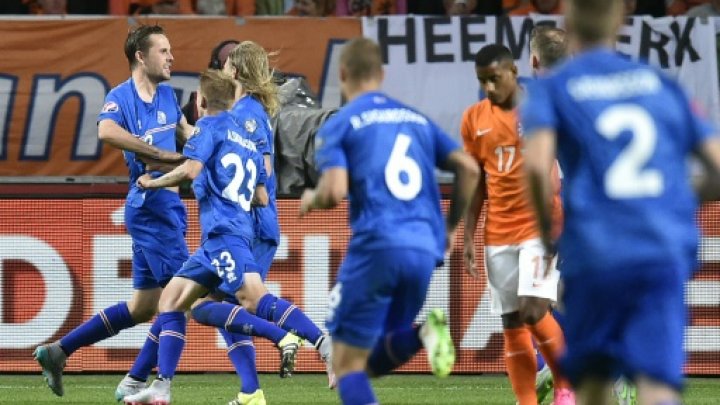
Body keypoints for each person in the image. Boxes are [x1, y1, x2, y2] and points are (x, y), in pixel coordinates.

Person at [521, 0, 720, 404]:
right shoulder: (660, 83)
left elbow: (539, 173)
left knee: (592, 383)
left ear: (570, 20)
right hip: (660, 248)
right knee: (659, 386)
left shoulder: (553, 89)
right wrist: (672, 201)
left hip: (596, 247)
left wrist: (544, 242)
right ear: (620, 21)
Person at [299, 37, 479, 405]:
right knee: (372, 361)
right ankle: (425, 332)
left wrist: (310, 197)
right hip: (423, 251)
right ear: (381, 75)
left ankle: (424, 333)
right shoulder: (416, 119)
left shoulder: (341, 122)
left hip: (378, 245)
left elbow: (333, 191)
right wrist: (448, 228)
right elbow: (469, 168)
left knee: (346, 364)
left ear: (343, 73)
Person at [122, 69, 303, 405]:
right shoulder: (245, 134)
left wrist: (154, 181)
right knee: (176, 301)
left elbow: (191, 169)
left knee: (248, 300)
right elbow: (261, 193)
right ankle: (163, 386)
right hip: (237, 232)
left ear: (200, 101)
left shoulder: (211, 126)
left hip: (224, 233)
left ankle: (298, 339)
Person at [33, 23, 193, 398]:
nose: (172, 57)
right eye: (164, 51)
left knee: (143, 307)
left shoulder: (169, 96)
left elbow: (188, 136)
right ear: (141, 56)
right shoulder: (121, 96)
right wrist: (159, 155)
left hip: (168, 206)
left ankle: (59, 351)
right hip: (151, 208)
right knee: (183, 300)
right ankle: (146, 383)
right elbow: (106, 131)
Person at [222, 40, 335, 402]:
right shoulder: (251, 110)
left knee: (232, 302)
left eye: (225, 66)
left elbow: (263, 179)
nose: (221, 71)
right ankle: (250, 392)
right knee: (216, 304)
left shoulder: (246, 114)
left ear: (235, 71)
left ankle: (312, 341)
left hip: (249, 224)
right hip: (253, 225)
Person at [461, 43, 574, 405]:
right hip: (499, 232)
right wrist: (466, 235)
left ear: (513, 71)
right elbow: (477, 181)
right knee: (512, 322)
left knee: (534, 308)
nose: (489, 88)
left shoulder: (541, 108)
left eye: (494, 79)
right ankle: (526, 400)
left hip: (541, 226)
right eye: (482, 82)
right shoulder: (475, 119)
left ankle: (564, 385)